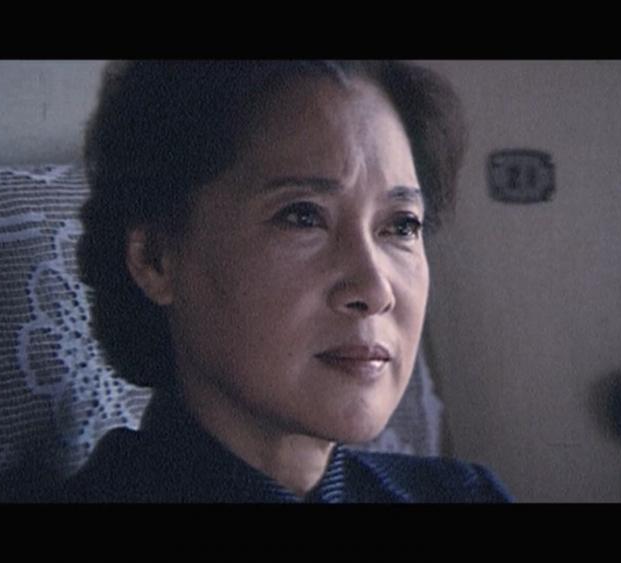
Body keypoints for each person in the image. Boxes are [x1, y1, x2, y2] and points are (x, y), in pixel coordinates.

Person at [63, 60, 512, 502]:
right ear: (156, 259)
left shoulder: (465, 494)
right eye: (302, 217)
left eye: (401, 226)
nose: (375, 290)